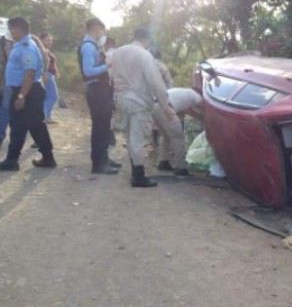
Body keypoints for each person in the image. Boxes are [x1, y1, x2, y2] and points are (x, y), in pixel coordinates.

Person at [111, 27, 175, 187]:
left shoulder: (118, 52)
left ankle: (135, 172)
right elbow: (156, 83)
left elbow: (112, 76)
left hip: (121, 100)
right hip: (138, 103)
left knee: (129, 138)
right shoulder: (145, 55)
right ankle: (138, 176)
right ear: (147, 40)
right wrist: (165, 106)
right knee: (138, 139)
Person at [0, 17, 56, 171]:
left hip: (28, 91)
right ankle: (12, 160)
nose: (11, 32)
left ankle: (48, 157)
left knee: (36, 125)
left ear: (19, 29)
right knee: (17, 126)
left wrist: (21, 96)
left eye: (12, 29)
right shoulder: (19, 45)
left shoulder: (27, 47)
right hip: (21, 90)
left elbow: (29, 73)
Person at [78, 18, 120, 175]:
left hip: (101, 90)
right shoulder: (88, 47)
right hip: (96, 91)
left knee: (104, 127)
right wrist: (107, 65)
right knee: (100, 127)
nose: (102, 33)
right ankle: (98, 163)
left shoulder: (94, 46)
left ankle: (104, 158)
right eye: (101, 30)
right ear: (96, 29)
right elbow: (88, 71)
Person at [153, 88, 204, 176]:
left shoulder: (184, 94)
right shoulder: (198, 96)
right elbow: (205, 109)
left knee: (165, 136)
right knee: (178, 137)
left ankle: (163, 162)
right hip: (166, 107)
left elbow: (190, 113)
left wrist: (203, 119)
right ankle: (181, 168)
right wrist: (209, 119)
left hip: (154, 106)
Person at [40, 32, 60, 123]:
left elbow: (51, 63)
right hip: (47, 75)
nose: (50, 42)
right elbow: (42, 63)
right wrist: (44, 74)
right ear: (41, 40)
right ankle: (45, 117)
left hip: (49, 74)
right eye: (47, 40)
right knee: (53, 96)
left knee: (48, 97)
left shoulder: (45, 50)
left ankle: (45, 116)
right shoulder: (42, 50)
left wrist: (55, 72)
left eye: (51, 41)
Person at [0, 33, 13, 148]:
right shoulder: (10, 43)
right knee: (5, 110)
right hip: (7, 84)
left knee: (5, 110)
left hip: (6, 84)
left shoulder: (8, 44)